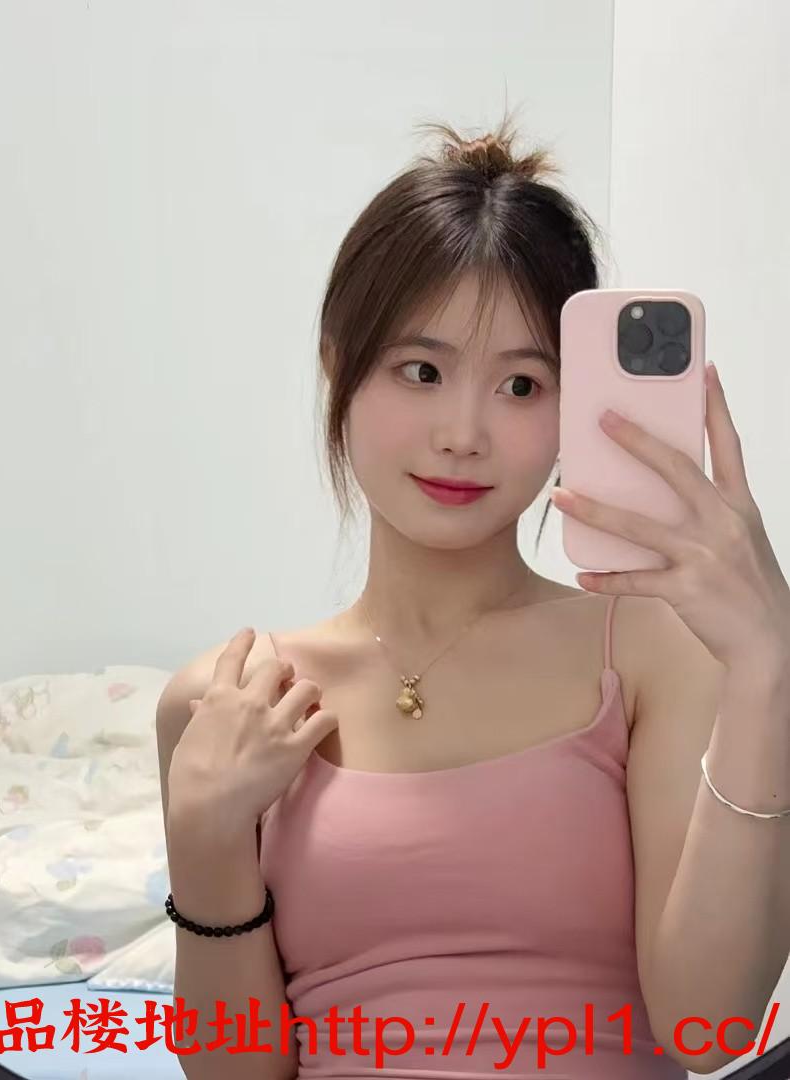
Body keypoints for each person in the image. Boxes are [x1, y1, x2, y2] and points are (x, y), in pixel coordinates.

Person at [155, 114, 729, 1080]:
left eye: (522, 385)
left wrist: (769, 668)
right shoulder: (228, 702)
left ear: (576, 403)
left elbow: (708, 1028)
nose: (464, 432)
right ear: (340, 367)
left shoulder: (650, 651)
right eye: (420, 371)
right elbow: (236, 1073)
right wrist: (204, 838)